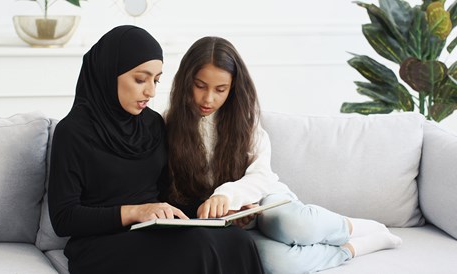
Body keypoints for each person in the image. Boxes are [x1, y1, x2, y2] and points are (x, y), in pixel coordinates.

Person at [164, 36, 403, 273]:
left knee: (292, 224)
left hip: (265, 201)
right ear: (186, 81)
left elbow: (261, 176)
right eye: (200, 85)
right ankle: (354, 247)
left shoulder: (244, 122)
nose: (208, 98)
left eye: (220, 89)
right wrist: (222, 212)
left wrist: (227, 196)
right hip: (232, 224)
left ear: (233, 87)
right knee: (276, 265)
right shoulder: (168, 124)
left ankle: (356, 227)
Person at [47, 26, 265, 274]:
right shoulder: (72, 133)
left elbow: (167, 197)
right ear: (109, 72)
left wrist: (218, 214)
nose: (150, 91)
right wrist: (136, 212)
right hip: (99, 243)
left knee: (239, 241)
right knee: (197, 246)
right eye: (141, 79)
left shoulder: (153, 124)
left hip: (152, 231)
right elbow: (64, 219)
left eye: (156, 80)